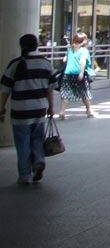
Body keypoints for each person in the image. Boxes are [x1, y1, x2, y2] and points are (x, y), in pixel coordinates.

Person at [0, 34, 55, 185]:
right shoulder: (45, 63)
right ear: (36, 45)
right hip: (39, 109)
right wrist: (51, 107)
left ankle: (24, 175)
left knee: (22, 143)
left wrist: (1, 108)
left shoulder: (15, 64)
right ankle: (38, 160)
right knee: (37, 138)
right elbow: (50, 89)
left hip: (20, 110)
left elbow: (5, 89)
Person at [58, 32, 95, 119]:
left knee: (66, 92)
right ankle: (89, 111)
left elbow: (64, 60)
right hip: (78, 73)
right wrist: (81, 72)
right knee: (84, 92)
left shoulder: (70, 50)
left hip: (68, 73)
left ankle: (62, 112)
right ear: (83, 41)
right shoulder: (84, 51)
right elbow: (82, 61)